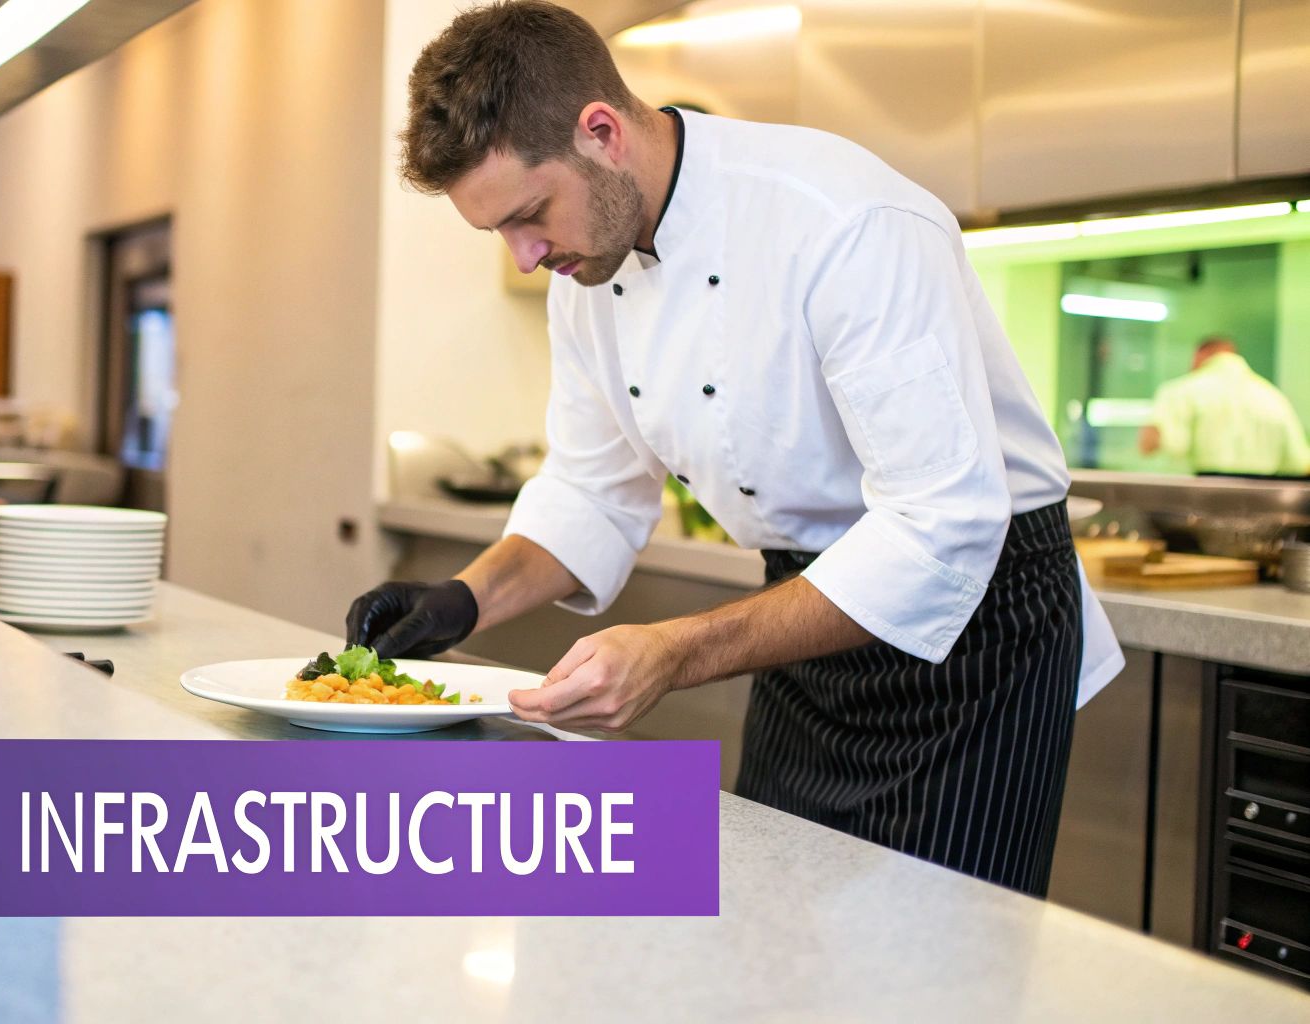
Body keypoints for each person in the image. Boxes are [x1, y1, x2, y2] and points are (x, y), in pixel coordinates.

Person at [344, 0, 1123, 897]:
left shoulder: (844, 219)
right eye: (500, 233)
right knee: (775, 931)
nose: (523, 256)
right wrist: (461, 600)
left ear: (601, 132)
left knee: (936, 965)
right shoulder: (583, 272)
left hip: (975, 638)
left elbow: (939, 527)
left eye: (529, 214)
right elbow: (593, 492)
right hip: (800, 615)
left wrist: (677, 649)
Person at [1138, 337, 1310, 477]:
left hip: (1198, 501)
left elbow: (1163, 446)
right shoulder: (1273, 396)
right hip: (1260, 501)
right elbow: (1298, 462)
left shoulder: (1180, 391)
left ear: (1200, 355)